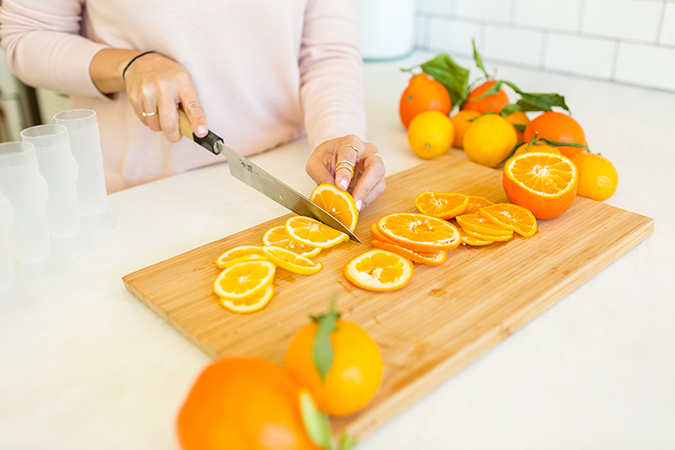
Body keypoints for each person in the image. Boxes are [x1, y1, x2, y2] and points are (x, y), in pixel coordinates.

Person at [0, 0, 386, 212]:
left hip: (286, 174)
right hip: (148, 195)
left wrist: (337, 134)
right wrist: (129, 65)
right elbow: (25, 35)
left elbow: (326, 53)